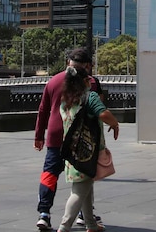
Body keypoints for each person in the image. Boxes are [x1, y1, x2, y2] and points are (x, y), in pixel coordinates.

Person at [34, 48, 102, 231]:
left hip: (56, 134)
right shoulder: (90, 83)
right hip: (79, 136)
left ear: (67, 63)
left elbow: (43, 110)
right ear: (87, 66)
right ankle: (83, 216)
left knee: (49, 173)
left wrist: (39, 135)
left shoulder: (53, 81)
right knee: (84, 174)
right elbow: (97, 108)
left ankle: (44, 214)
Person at [56, 65, 119, 232]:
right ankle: (64, 227)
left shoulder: (65, 100)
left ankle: (90, 224)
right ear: (84, 82)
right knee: (78, 192)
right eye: (88, 80)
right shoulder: (89, 97)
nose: (90, 83)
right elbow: (103, 113)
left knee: (85, 186)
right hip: (87, 152)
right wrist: (115, 123)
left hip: (71, 151)